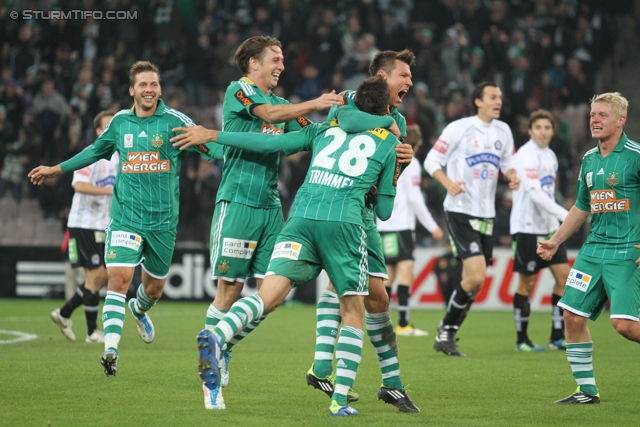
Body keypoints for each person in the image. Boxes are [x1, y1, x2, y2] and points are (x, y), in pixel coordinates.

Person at [179, 76, 399, 416]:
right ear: (386, 109)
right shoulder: (388, 142)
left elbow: (267, 145)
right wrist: (391, 176)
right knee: (353, 311)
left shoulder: (323, 131)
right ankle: (339, 400)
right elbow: (383, 210)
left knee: (267, 295)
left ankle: (219, 335)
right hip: (344, 223)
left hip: (299, 218)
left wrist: (213, 134)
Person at [170, 35, 344, 410]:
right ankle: (211, 373)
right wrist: (316, 102)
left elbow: (308, 129)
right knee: (230, 291)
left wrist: (346, 117)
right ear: (253, 63)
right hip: (237, 203)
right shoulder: (240, 91)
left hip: (270, 207)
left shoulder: (283, 104)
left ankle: (223, 342)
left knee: (274, 294)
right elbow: (268, 116)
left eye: (282, 59)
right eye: (275, 59)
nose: (281, 65)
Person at [28, 61, 222, 376]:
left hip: (162, 222)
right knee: (118, 280)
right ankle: (111, 351)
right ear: (132, 90)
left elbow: (212, 147)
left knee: (154, 289)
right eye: (143, 85)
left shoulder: (175, 122)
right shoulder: (119, 123)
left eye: (154, 85)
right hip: (125, 218)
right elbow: (94, 151)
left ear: (160, 89)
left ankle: (140, 309)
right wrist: (55, 169)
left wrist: (239, 148)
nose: (149, 90)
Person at [304, 49, 418, 412]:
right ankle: (331, 368)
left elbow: (389, 159)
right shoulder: (348, 100)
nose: (410, 82)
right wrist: (391, 133)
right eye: (404, 75)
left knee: (375, 297)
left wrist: (403, 157)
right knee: (351, 290)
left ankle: (384, 381)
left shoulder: (394, 114)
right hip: (342, 208)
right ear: (383, 78)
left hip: (364, 213)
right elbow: (350, 123)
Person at [537, 92, 640, 404]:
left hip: (626, 251)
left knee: (623, 325)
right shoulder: (589, 160)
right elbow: (582, 207)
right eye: (593, 114)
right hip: (593, 250)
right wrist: (556, 240)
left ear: (621, 121)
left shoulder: (635, 156)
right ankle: (586, 391)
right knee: (571, 315)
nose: (595, 120)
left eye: (603, 115)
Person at [424, 81, 520, 356]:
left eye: (500, 96)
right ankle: (446, 329)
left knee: (473, 280)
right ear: (478, 101)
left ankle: (447, 334)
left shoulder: (504, 131)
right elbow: (431, 160)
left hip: (486, 214)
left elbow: (507, 163)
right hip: (459, 209)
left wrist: (512, 175)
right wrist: (448, 182)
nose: (498, 101)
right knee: (476, 277)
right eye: (492, 96)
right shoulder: (459, 128)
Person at [50, 110, 119, 343]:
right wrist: (110, 191)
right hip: (83, 223)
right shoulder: (92, 154)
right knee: (97, 275)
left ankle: (65, 313)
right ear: (99, 131)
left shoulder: (119, 157)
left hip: (102, 224)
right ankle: (91, 332)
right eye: (108, 126)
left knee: (101, 277)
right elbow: (79, 185)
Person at [509, 109, 570, 352]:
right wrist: (566, 217)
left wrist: (557, 221)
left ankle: (557, 337)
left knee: (563, 278)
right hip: (526, 227)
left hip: (549, 228)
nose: (543, 132)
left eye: (547, 128)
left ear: (553, 131)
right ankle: (521, 340)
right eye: (538, 128)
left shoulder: (551, 156)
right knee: (528, 282)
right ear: (530, 130)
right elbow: (534, 193)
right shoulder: (526, 155)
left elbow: (547, 192)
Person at [377, 124, 443, 336]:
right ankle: (403, 324)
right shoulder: (411, 162)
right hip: (401, 226)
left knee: (389, 275)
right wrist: (433, 226)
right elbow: (415, 199)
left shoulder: (388, 157)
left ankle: (380, 324)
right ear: (417, 144)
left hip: (384, 225)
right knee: (406, 271)